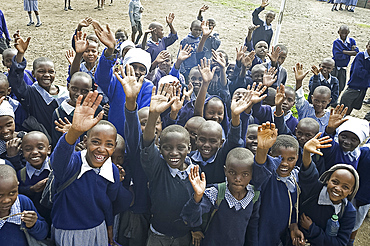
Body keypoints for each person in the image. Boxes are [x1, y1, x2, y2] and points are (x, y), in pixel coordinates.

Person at [50, 91, 132, 245]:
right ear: (86, 141)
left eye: (109, 144)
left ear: (114, 147)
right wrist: (74, 132)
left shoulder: (111, 170)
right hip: (68, 232)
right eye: (96, 142)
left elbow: (107, 203)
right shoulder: (73, 163)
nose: (101, 149)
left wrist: (109, 227)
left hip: (97, 230)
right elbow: (58, 162)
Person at [141, 81, 196, 245]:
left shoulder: (194, 172)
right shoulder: (157, 168)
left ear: (189, 148)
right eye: (167, 148)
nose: (173, 153)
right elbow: (148, 143)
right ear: (159, 148)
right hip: (158, 236)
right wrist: (152, 115)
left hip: (183, 237)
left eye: (180, 148)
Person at [180, 148, 261, 246]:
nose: (238, 179)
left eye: (245, 174)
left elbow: (252, 227)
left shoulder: (253, 196)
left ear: (252, 174)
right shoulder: (215, 193)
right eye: (232, 172)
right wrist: (197, 196)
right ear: (225, 171)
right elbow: (189, 218)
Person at [290, 136, 358, 246]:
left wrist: (312, 229)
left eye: (345, 187)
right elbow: (308, 173)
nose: (338, 188)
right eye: (335, 182)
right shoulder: (316, 189)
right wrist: (306, 153)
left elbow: (340, 243)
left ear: (351, 191)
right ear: (327, 180)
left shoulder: (348, 212)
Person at [92, 20, 153, 138]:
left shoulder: (148, 87)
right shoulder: (118, 81)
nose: (137, 71)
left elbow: (144, 115)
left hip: (135, 138)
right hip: (114, 136)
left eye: (142, 69)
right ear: (124, 66)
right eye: (133, 66)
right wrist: (110, 51)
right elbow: (102, 77)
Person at [8, 32, 68, 137]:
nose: (47, 75)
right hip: (42, 140)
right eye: (41, 71)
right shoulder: (30, 93)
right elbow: (16, 81)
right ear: (33, 74)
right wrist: (20, 54)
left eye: (51, 71)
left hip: (62, 137)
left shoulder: (64, 93)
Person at [253, 122, 300, 245]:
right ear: (270, 156)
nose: (284, 163)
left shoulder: (295, 178)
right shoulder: (268, 177)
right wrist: (262, 149)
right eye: (279, 158)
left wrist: (294, 225)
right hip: (262, 238)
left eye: (290, 159)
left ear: (297, 158)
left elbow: (293, 206)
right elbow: (260, 167)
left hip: (282, 237)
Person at [51, 72, 103, 147]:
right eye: (74, 89)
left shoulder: (96, 110)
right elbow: (56, 143)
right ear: (68, 87)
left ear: (90, 91)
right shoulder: (59, 113)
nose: (78, 93)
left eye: (84, 91)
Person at [0, 164, 49, 244]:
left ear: (17, 185)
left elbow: (43, 234)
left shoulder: (23, 203)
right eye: (0, 195)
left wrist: (33, 224)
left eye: (12, 193)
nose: (6, 200)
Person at [17, 131, 52, 227]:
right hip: (36, 221)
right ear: (22, 152)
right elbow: (17, 192)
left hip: (57, 219)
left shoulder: (55, 168)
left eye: (40, 147)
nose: (35, 152)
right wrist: (31, 189)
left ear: (48, 149)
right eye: (28, 149)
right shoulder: (21, 175)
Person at [321, 106, 369, 170]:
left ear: (360, 141)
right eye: (343, 137)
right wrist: (330, 130)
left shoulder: (357, 153)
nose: (347, 142)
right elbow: (326, 141)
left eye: (353, 139)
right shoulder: (334, 149)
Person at [294, 63, 331, 133]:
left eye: (323, 102)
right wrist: (299, 81)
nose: (319, 104)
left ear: (329, 101)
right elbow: (299, 97)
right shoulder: (305, 109)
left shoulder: (330, 117)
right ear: (312, 98)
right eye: (316, 100)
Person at [339, 40, 370, 115]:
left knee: (352, 106)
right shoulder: (361, 56)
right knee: (344, 105)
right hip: (354, 87)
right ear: (367, 46)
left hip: (363, 89)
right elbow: (358, 72)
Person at [331, 25, 358, 94]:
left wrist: (343, 51)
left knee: (341, 85)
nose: (344, 35)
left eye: (345, 33)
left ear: (348, 32)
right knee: (332, 85)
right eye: (342, 33)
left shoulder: (351, 41)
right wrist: (349, 52)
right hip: (335, 66)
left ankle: (336, 100)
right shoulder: (336, 42)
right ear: (338, 32)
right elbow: (337, 56)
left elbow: (356, 52)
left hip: (344, 67)